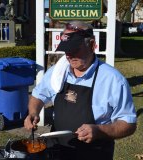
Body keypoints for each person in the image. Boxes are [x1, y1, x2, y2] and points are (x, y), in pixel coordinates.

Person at [24, 21, 137, 160]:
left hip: (94, 154)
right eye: (66, 49)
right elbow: (38, 95)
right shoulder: (58, 72)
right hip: (56, 151)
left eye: (74, 49)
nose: (69, 55)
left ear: (91, 45)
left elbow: (129, 124)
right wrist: (33, 113)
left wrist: (100, 130)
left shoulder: (113, 80)